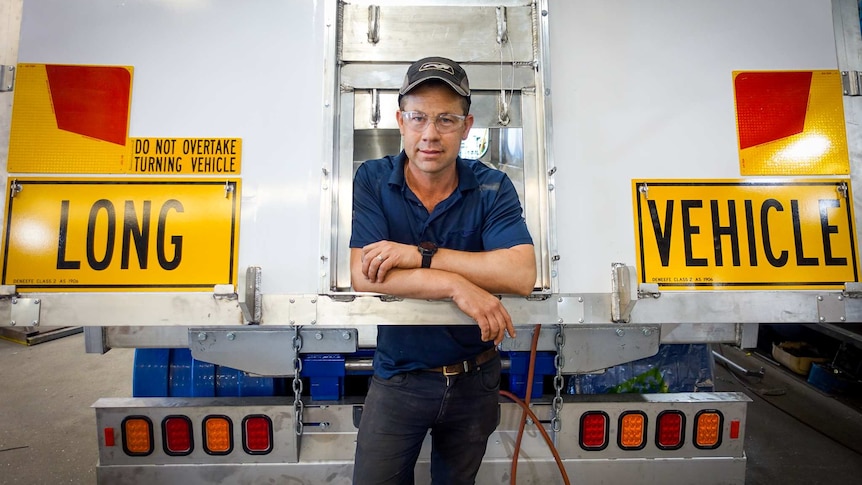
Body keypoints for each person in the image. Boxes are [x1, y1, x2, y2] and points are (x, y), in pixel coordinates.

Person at [349, 56, 536, 485]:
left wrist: (420, 256)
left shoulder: (491, 187)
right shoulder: (374, 180)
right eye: (418, 118)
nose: (430, 134)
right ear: (400, 120)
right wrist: (456, 285)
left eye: (446, 120)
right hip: (398, 376)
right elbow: (365, 272)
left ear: (467, 126)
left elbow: (520, 273)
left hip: (476, 379)